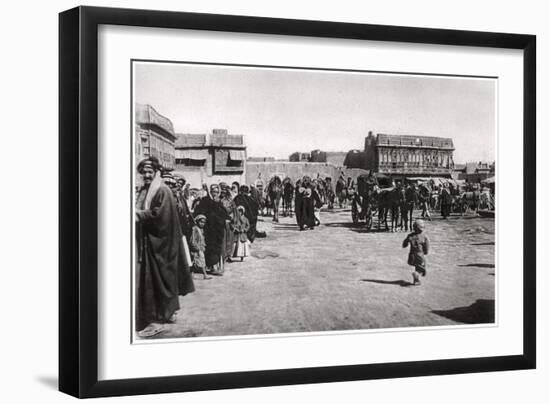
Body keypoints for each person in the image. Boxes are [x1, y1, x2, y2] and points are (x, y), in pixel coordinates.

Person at [135, 157, 195, 337]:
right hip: (152, 242)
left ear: (155, 173)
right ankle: (167, 313)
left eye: (149, 172)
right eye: (143, 172)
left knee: (156, 280)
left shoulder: (162, 190)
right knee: (161, 280)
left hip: (162, 245)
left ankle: (156, 320)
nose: (146, 175)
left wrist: (138, 215)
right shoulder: (148, 190)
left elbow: (160, 217)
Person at [193, 184, 229, 276]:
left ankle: (216, 266)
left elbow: (225, 214)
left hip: (218, 229)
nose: (215, 194)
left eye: (217, 192)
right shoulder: (205, 200)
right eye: (213, 191)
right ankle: (212, 267)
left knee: (217, 247)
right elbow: (199, 212)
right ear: (210, 191)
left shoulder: (219, 202)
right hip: (208, 229)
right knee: (210, 248)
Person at [402, 219, 430, 285]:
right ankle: (416, 274)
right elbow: (426, 248)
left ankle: (416, 280)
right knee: (423, 268)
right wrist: (425, 252)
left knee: (416, 266)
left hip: (412, 255)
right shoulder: (424, 237)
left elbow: (404, 244)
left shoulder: (410, 236)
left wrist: (406, 242)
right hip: (420, 254)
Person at [189, 215, 211, 280]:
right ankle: (204, 275)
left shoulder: (201, 230)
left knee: (198, 261)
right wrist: (196, 247)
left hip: (200, 248)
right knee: (197, 261)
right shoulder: (195, 229)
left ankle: (193, 274)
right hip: (196, 248)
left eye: (204, 222)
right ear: (197, 221)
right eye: (201, 222)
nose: (202, 224)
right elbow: (193, 239)